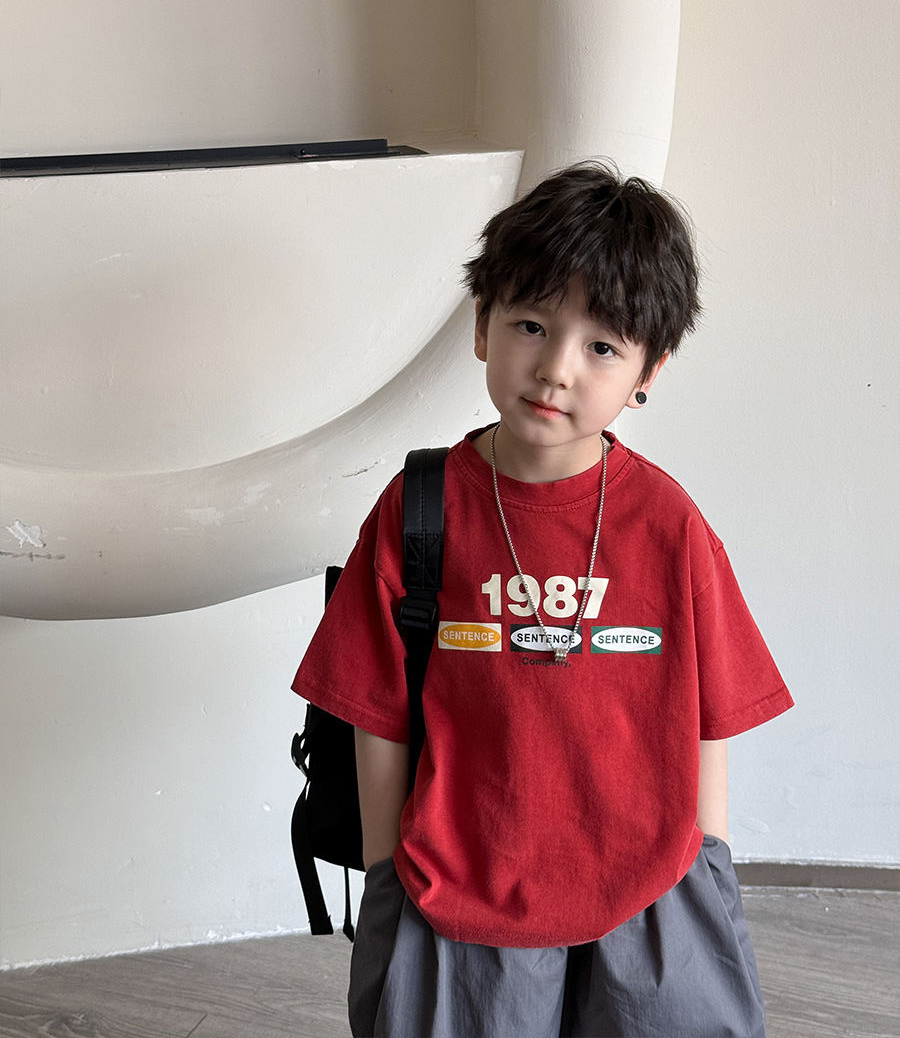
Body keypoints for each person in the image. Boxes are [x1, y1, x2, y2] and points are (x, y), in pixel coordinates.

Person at [291, 162, 793, 1038]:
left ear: (649, 370)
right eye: (531, 324)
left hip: (652, 899)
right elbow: (377, 715)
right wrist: (387, 874)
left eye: (602, 347)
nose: (556, 369)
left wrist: (705, 867)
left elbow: (709, 716)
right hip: (458, 894)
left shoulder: (669, 524)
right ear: (481, 326)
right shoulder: (419, 510)